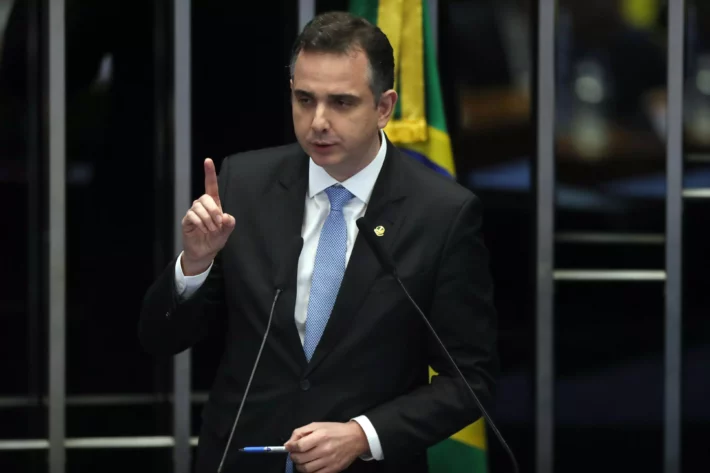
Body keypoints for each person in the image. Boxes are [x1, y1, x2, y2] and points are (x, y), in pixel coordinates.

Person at [139, 11, 498, 473]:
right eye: (304, 99)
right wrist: (195, 264)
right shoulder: (243, 184)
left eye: (342, 102)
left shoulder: (442, 214)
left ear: (384, 107)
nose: (318, 122)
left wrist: (363, 435)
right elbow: (160, 337)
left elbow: (470, 380)